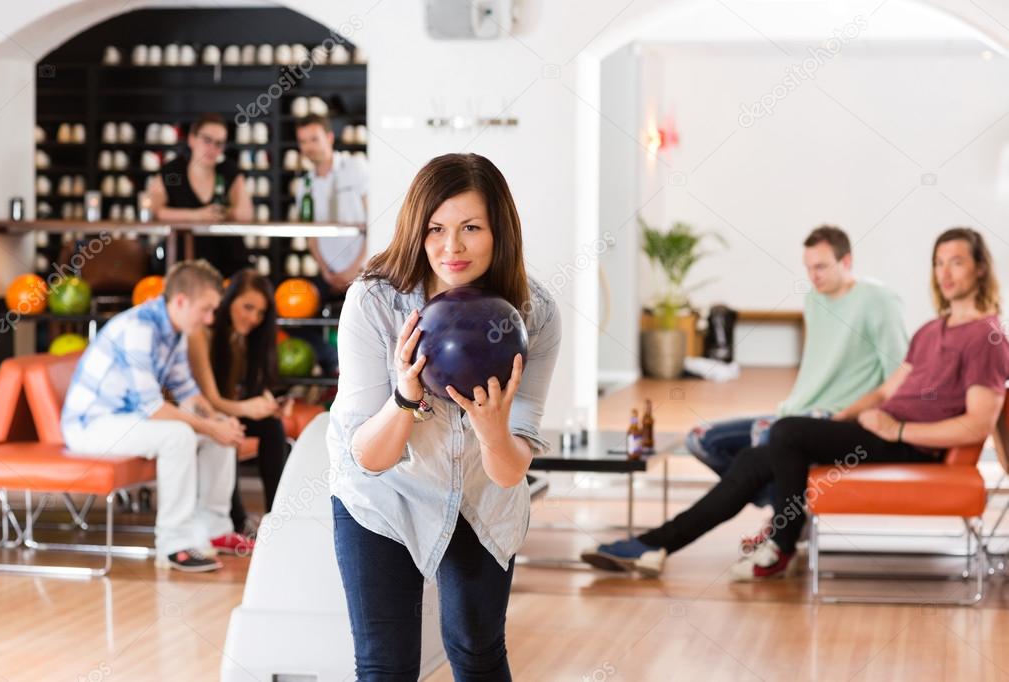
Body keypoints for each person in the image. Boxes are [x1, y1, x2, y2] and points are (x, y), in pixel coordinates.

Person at [583, 227, 1009, 581]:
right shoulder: (931, 331)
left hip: (911, 444)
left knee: (786, 431)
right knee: (754, 460)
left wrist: (896, 430)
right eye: (939, 262)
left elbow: (976, 425)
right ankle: (652, 546)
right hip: (877, 429)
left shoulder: (987, 337)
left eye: (956, 261)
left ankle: (782, 543)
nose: (945, 272)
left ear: (980, 268)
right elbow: (884, 393)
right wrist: (840, 423)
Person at [327, 153, 561, 679]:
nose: (451, 247)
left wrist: (493, 431)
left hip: (482, 497)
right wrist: (405, 400)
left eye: (471, 228)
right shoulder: (374, 301)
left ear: (499, 231)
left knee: (477, 651)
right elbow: (367, 458)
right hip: (384, 496)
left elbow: (508, 470)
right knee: (386, 667)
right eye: (435, 228)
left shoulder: (533, 314)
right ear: (417, 230)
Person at [686, 225, 907, 547]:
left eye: (821, 266)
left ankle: (783, 523)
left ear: (847, 261)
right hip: (797, 410)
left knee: (765, 435)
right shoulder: (814, 300)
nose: (813, 275)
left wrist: (855, 416)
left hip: (832, 417)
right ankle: (788, 511)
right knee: (700, 440)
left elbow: (899, 374)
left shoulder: (878, 300)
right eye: (807, 267)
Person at [61, 260, 256, 572]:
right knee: (177, 435)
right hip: (91, 426)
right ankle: (173, 545)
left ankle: (214, 530)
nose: (209, 319)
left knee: (217, 432)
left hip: (125, 422)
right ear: (181, 301)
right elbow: (153, 409)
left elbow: (187, 392)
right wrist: (210, 425)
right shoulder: (139, 329)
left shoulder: (174, 331)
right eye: (205, 309)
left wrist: (218, 421)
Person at [187, 269, 292, 536]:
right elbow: (210, 399)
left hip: (224, 411)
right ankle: (237, 520)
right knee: (229, 427)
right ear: (228, 299)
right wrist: (247, 408)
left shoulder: (244, 337)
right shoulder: (202, 334)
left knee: (271, 426)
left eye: (260, 313)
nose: (253, 318)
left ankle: (276, 517)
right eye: (247, 307)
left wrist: (268, 403)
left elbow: (243, 392)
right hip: (201, 413)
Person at [291, 114, 369, 376]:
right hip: (329, 273)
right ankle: (334, 365)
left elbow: (373, 221)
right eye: (303, 141)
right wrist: (325, 269)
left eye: (314, 139)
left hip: (364, 270)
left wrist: (354, 267)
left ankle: (359, 371)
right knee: (292, 318)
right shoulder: (305, 184)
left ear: (329, 138)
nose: (309, 146)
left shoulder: (355, 167)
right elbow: (310, 235)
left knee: (364, 322)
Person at [148, 112, 254, 277]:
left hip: (226, 259)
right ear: (192, 139)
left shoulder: (228, 170)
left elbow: (245, 214)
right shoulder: (173, 171)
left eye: (219, 143)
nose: (213, 148)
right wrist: (198, 215)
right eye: (207, 140)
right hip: (180, 261)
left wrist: (222, 213)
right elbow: (155, 211)